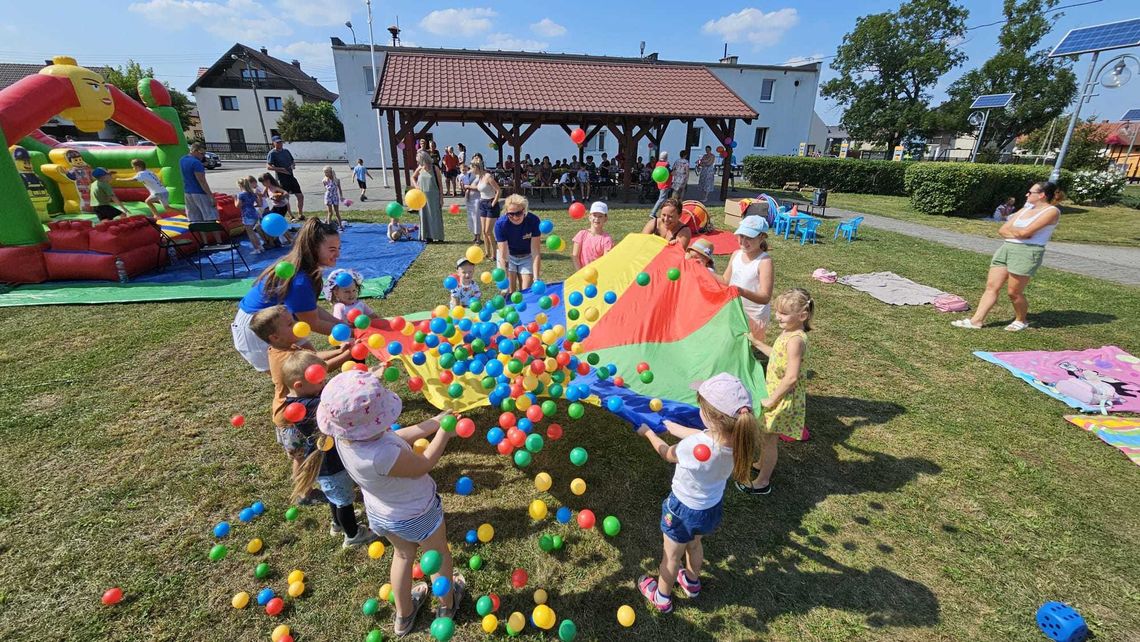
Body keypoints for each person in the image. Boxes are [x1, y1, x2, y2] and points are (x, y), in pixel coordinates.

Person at [317, 370, 465, 637]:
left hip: (383, 515)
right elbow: (425, 463)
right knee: (439, 554)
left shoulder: (346, 438)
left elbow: (395, 436)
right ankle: (447, 605)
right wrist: (444, 432)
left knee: (403, 555)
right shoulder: (381, 455)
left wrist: (434, 422)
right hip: (417, 513)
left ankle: (404, 615)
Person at [633, 373, 759, 613]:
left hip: (681, 511)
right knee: (695, 544)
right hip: (709, 510)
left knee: (671, 557)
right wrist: (671, 426)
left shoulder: (696, 448)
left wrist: (649, 433)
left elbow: (666, 453)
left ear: (709, 417)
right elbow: (705, 437)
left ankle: (661, 596)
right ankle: (691, 582)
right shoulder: (740, 443)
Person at [248, 304, 353, 479]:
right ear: (275, 337)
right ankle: (303, 491)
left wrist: (341, 350)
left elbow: (314, 356)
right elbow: (319, 369)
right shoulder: (285, 358)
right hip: (290, 418)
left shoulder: (287, 346)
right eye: (290, 324)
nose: (296, 325)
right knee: (302, 456)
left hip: (302, 409)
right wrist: (347, 355)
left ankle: (323, 476)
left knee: (314, 448)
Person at [285, 350, 374, 547]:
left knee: (335, 497)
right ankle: (353, 535)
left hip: (324, 462)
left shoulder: (295, 401)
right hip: (330, 465)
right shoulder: (311, 405)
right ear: (300, 385)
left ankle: (337, 524)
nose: (324, 384)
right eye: (319, 381)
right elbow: (337, 402)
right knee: (344, 500)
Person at [232, 219, 342, 371]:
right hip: (258, 328)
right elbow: (313, 322)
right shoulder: (300, 280)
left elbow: (310, 309)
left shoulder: (306, 269)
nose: (338, 254)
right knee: (294, 380)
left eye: (338, 248)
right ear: (313, 248)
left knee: (312, 365)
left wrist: (343, 326)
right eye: (332, 249)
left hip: (282, 321)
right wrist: (353, 334)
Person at [952, 181, 1062, 332]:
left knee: (1014, 292)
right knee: (991, 287)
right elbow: (1003, 230)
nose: (1026, 195)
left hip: (1027, 251)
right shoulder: (1025, 209)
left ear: (1042, 195)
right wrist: (1020, 233)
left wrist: (1018, 232)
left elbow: (1025, 233)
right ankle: (976, 321)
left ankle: (1021, 320)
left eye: (1030, 193)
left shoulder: (1051, 211)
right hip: (1007, 248)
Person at [738, 289, 813, 495]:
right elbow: (777, 355)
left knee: (770, 439)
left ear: (802, 316)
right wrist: (757, 343)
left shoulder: (796, 340)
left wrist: (772, 399)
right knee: (765, 433)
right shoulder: (787, 332)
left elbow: (791, 377)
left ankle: (763, 482)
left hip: (782, 397)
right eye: (778, 312)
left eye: (784, 313)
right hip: (775, 393)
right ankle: (762, 462)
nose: (778, 316)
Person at [724, 216, 774, 345]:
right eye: (741, 236)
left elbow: (765, 297)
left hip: (754, 317)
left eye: (749, 237)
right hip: (735, 310)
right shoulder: (736, 254)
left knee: (748, 348)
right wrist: (703, 269)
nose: (744, 241)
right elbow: (725, 280)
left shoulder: (764, 262)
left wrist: (741, 291)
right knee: (731, 344)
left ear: (762, 237)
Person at [494, 194, 542, 293]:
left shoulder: (533, 221)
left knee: (526, 292)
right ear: (506, 212)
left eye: (518, 213)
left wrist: (536, 278)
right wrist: (505, 279)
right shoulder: (501, 224)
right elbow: (504, 255)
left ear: (524, 210)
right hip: (509, 257)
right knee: (510, 292)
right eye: (511, 214)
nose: (515, 217)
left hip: (527, 257)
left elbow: (535, 252)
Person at [412, 151, 445, 243]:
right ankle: (427, 236)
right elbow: (413, 177)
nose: (419, 163)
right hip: (422, 197)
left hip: (434, 196)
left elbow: (440, 185)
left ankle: (438, 236)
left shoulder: (435, 168)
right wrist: (416, 186)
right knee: (424, 215)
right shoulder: (420, 168)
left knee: (435, 216)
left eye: (419, 161)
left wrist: (441, 198)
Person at [266, 136, 303, 216]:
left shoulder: (286, 151)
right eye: (277, 142)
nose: (280, 144)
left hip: (291, 176)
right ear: (273, 143)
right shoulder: (272, 153)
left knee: (300, 195)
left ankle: (300, 214)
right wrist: (280, 169)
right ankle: (291, 215)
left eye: (280, 142)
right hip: (281, 179)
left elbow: (293, 161)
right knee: (285, 198)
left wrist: (293, 165)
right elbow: (268, 167)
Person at [571, 201, 614, 270]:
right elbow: (575, 256)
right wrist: (579, 273)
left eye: (600, 216)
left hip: (598, 275)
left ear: (605, 219)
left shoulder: (607, 239)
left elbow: (606, 261)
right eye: (594, 215)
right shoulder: (581, 234)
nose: (597, 219)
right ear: (590, 217)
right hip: (582, 275)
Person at [472, 159, 500, 259]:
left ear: (477, 167)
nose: (472, 169)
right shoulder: (479, 177)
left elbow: (498, 190)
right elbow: (479, 188)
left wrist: (493, 203)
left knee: (488, 231)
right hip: (482, 203)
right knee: (484, 231)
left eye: (473, 167)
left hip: (491, 204)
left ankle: (494, 254)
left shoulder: (488, 176)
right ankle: (487, 252)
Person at [180, 142, 216, 222]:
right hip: (199, 192)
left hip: (188, 191)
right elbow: (202, 181)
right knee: (210, 217)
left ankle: (202, 235)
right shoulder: (196, 163)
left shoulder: (183, 160)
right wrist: (211, 196)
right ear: (195, 151)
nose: (203, 156)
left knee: (195, 218)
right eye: (202, 153)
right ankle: (215, 234)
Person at [237, 177, 265, 254]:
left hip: (247, 215)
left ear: (240, 185)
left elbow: (238, 205)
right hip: (254, 213)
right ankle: (260, 246)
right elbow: (259, 204)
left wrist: (234, 199)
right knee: (253, 231)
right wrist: (251, 205)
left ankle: (256, 248)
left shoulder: (241, 194)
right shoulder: (252, 193)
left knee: (250, 233)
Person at [459, 164, 481, 244]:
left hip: (477, 199)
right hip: (470, 199)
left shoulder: (481, 176)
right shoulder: (468, 174)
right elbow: (462, 183)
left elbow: (479, 187)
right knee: (471, 218)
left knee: (477, 219)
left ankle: (478, 237)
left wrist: (468, 186)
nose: (470, 169)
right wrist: (462, 186)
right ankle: (475, 236)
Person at [649, 151, 673, 218]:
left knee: (665, 200)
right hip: (665, 184)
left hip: (660, 183)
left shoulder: (657, 163)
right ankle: (653, 213)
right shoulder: (666, 165)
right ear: (666, 157)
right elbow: (671, 172)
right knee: (661, 199)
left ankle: (664, 213)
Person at [321, 166, 345, 231]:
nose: (325, 174)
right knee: (330, 212)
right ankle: (329, 226)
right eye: (325, 172)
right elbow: (326, 188)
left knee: (337, 212)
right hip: (328, 196)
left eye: (327, 172)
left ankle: (340, 225)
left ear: (330, 172)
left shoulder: (337, 180)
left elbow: (339, 189)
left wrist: (341, 196)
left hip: (335, 196)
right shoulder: (324, 180)